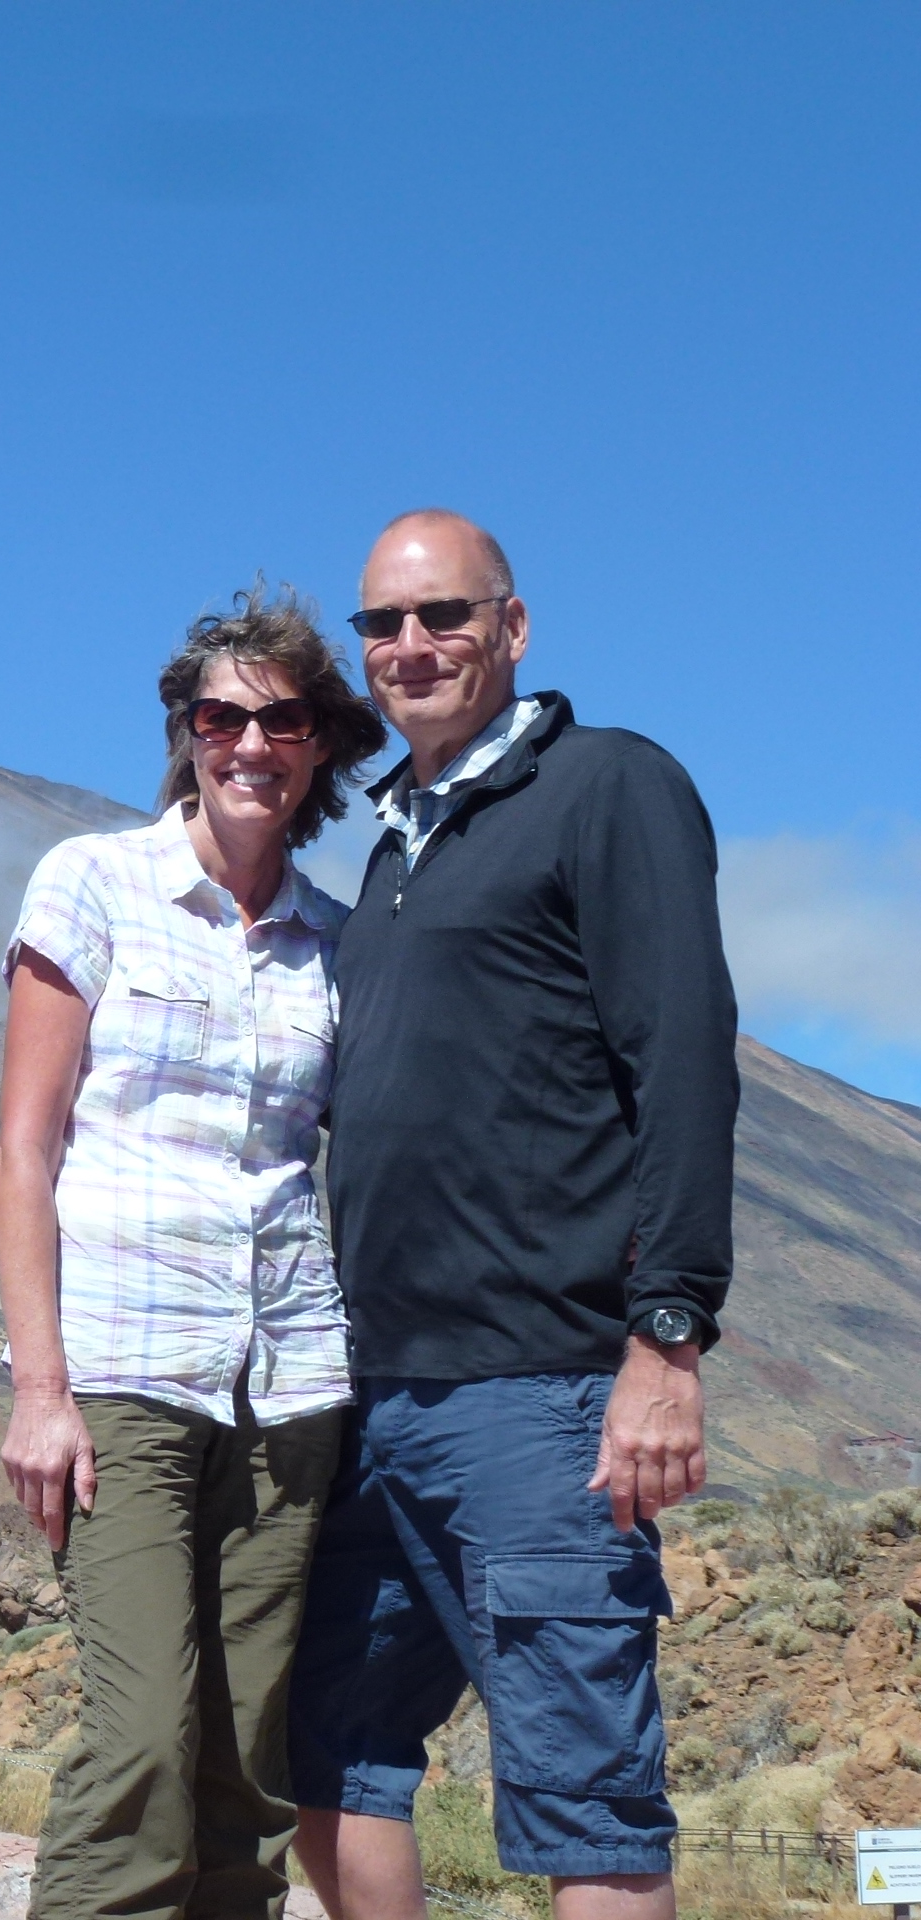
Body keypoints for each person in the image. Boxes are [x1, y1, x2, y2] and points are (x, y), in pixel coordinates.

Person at [289, 511, 736, 1920]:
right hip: (378, 1400)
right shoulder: (393, 849)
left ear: (514, 626)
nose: (411, 648)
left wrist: (665, 1341)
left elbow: (681, 1059)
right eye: (383, 625)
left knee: (581, 1795)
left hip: (542, 1393)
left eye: (444, 617)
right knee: (327, 1756)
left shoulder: (606, 787)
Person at [0, 588, 386, 1920]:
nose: (251, 745)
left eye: (282, 720)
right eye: (222, 717)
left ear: (320, 743)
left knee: (246, 1770)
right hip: (122, 1380)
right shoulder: (91, 884)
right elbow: (24, 1152)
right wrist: (39, 1390)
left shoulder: (339, 943)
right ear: (185, 732)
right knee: (144, 1740)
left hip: (290, 1387)